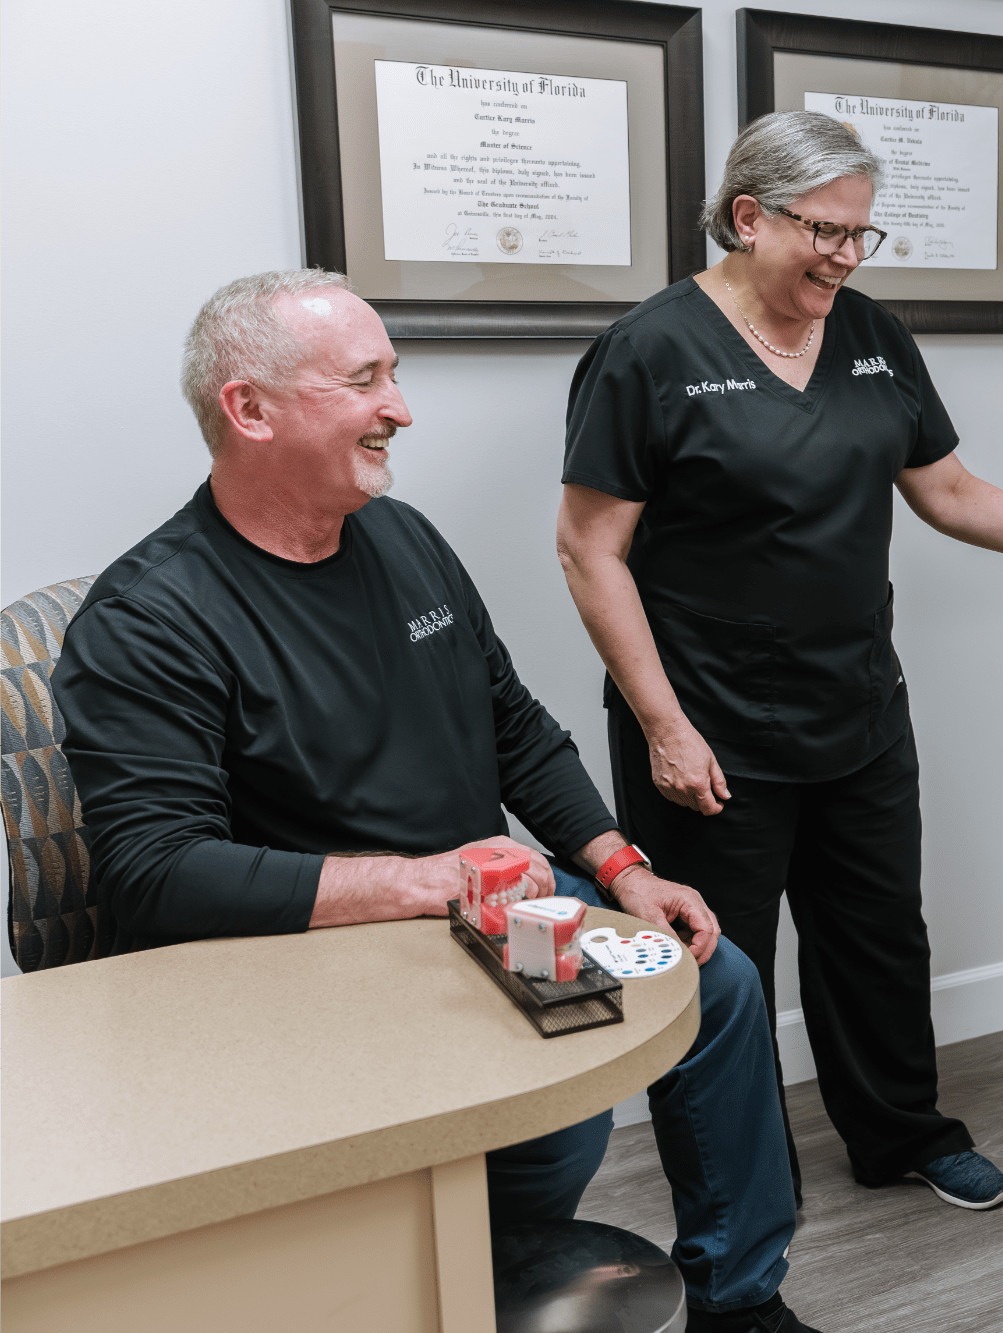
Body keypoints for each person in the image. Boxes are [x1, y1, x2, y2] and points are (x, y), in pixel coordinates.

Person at [53, 270, 825, 1333]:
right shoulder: (150, 618)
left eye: (396, 377)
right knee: (546, 1128)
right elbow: (156, 871)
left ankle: (740, 1300)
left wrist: (621, 868)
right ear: (250, 409)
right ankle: (443, 1274)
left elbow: (511, 725)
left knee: (712, 978)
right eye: (365, 381)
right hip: (315, 958)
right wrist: (421, 882)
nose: (400, 409)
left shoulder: (404, 538)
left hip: (480, 904)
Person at [557, 110, 1003, 1211]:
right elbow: (589, 548)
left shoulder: (873, 334)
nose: (842, 255)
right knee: (718, 963)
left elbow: (946, 487)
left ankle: (900, 1133)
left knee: (878, 938)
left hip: (858, 710)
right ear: (749, 218)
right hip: (709, 725)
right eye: (822, 231)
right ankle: (738, 1191)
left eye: (860, 235)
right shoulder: (647, 351)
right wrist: (660, 725)